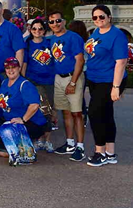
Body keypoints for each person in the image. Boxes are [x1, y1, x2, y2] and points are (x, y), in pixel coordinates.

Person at [84, 5, 128, 167]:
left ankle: (100, 152)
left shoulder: (117, 35)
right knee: (106, 114)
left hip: (109, 80)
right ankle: (110, 152)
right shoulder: (96, 33)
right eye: (95, 18)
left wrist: (116, 87)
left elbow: (121, 61)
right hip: (95, 79)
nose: (98, 20)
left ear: (109, 17)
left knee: (95, 113)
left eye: (102, 17)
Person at [46, 11, 86, 161]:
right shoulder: (51, 40)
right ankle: (69, 143)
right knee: (66, 112)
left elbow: (80, 61)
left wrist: (73, 82)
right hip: (59, 77)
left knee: (77, 113)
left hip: (72, 77)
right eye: (51, 22)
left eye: (58, 21)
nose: (55, 24)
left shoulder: (73, 37)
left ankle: (80, 146)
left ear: (64, 21)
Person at [0, 57, 46, 158]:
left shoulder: (25, 84)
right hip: (10, 121)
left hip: (29, 122)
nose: (10, 70)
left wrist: (23, 119)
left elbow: (34, 105)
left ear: (19, 68)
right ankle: (22, 144)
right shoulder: (4, 82)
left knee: (7, 152)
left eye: (13, 67)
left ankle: (28, 148)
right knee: (2, 152)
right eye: (8, 68)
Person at [21, 18, 54, 153]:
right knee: (37, 111)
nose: (37, 31)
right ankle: (39, 139)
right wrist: (23, 80)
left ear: (44, 30)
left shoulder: (50, 43)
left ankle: (47, 140)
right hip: (33, 80)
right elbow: (24, 64)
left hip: (49, 80)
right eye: (34, 29)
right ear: (30, 30)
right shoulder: (27, 44)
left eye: (40, 29)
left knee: (49, 111)